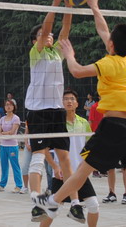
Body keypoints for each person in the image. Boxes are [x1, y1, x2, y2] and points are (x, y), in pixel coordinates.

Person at [33, 0, 126, 227]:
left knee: (81, 171)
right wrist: (94, 6)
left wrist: (69, 53)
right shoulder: (125, 58)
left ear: (111, 45)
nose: (106, 38)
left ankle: (51, 202)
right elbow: (103, 30)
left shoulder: (109, 63)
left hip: (115, 126)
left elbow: (77, 71)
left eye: (109, 39)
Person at [24, 0, 81, 222]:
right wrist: (55, 2)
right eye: (42, 34)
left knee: (64, 157)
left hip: (57, 110)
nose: (48, 36)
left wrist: (68, 6)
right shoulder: (36, 52)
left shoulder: (57, 52)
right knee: (38, 155)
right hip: (37, 110)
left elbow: (64, 28)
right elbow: (48, 27)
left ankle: (75, 204)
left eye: (48, 35)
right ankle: (37, 201)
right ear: (36, 40)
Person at [41, 89, 99, 227]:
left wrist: (87, 165)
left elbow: (89, 147)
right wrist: (55, 167)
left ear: (77, 103)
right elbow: (44, 149)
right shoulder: (56, 125)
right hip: (61, 174)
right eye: (66, 99)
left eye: (72, 99)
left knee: (94, 205)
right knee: (53, 211)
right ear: (61, 103)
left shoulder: (83, 123)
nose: (69, 101)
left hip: (79, 174)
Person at [0, 99, 23, 193]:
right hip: (3, 145)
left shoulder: (16, 118)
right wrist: (3, 133)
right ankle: (2, 185)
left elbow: (12, 132)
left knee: (15, 165)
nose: (8, 106)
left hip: (12, 145)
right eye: (6, 105)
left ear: (13, 107)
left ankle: (18, 185)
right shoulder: (2, 119)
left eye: (10, 105)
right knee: (4, 166)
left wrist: (3, 133)